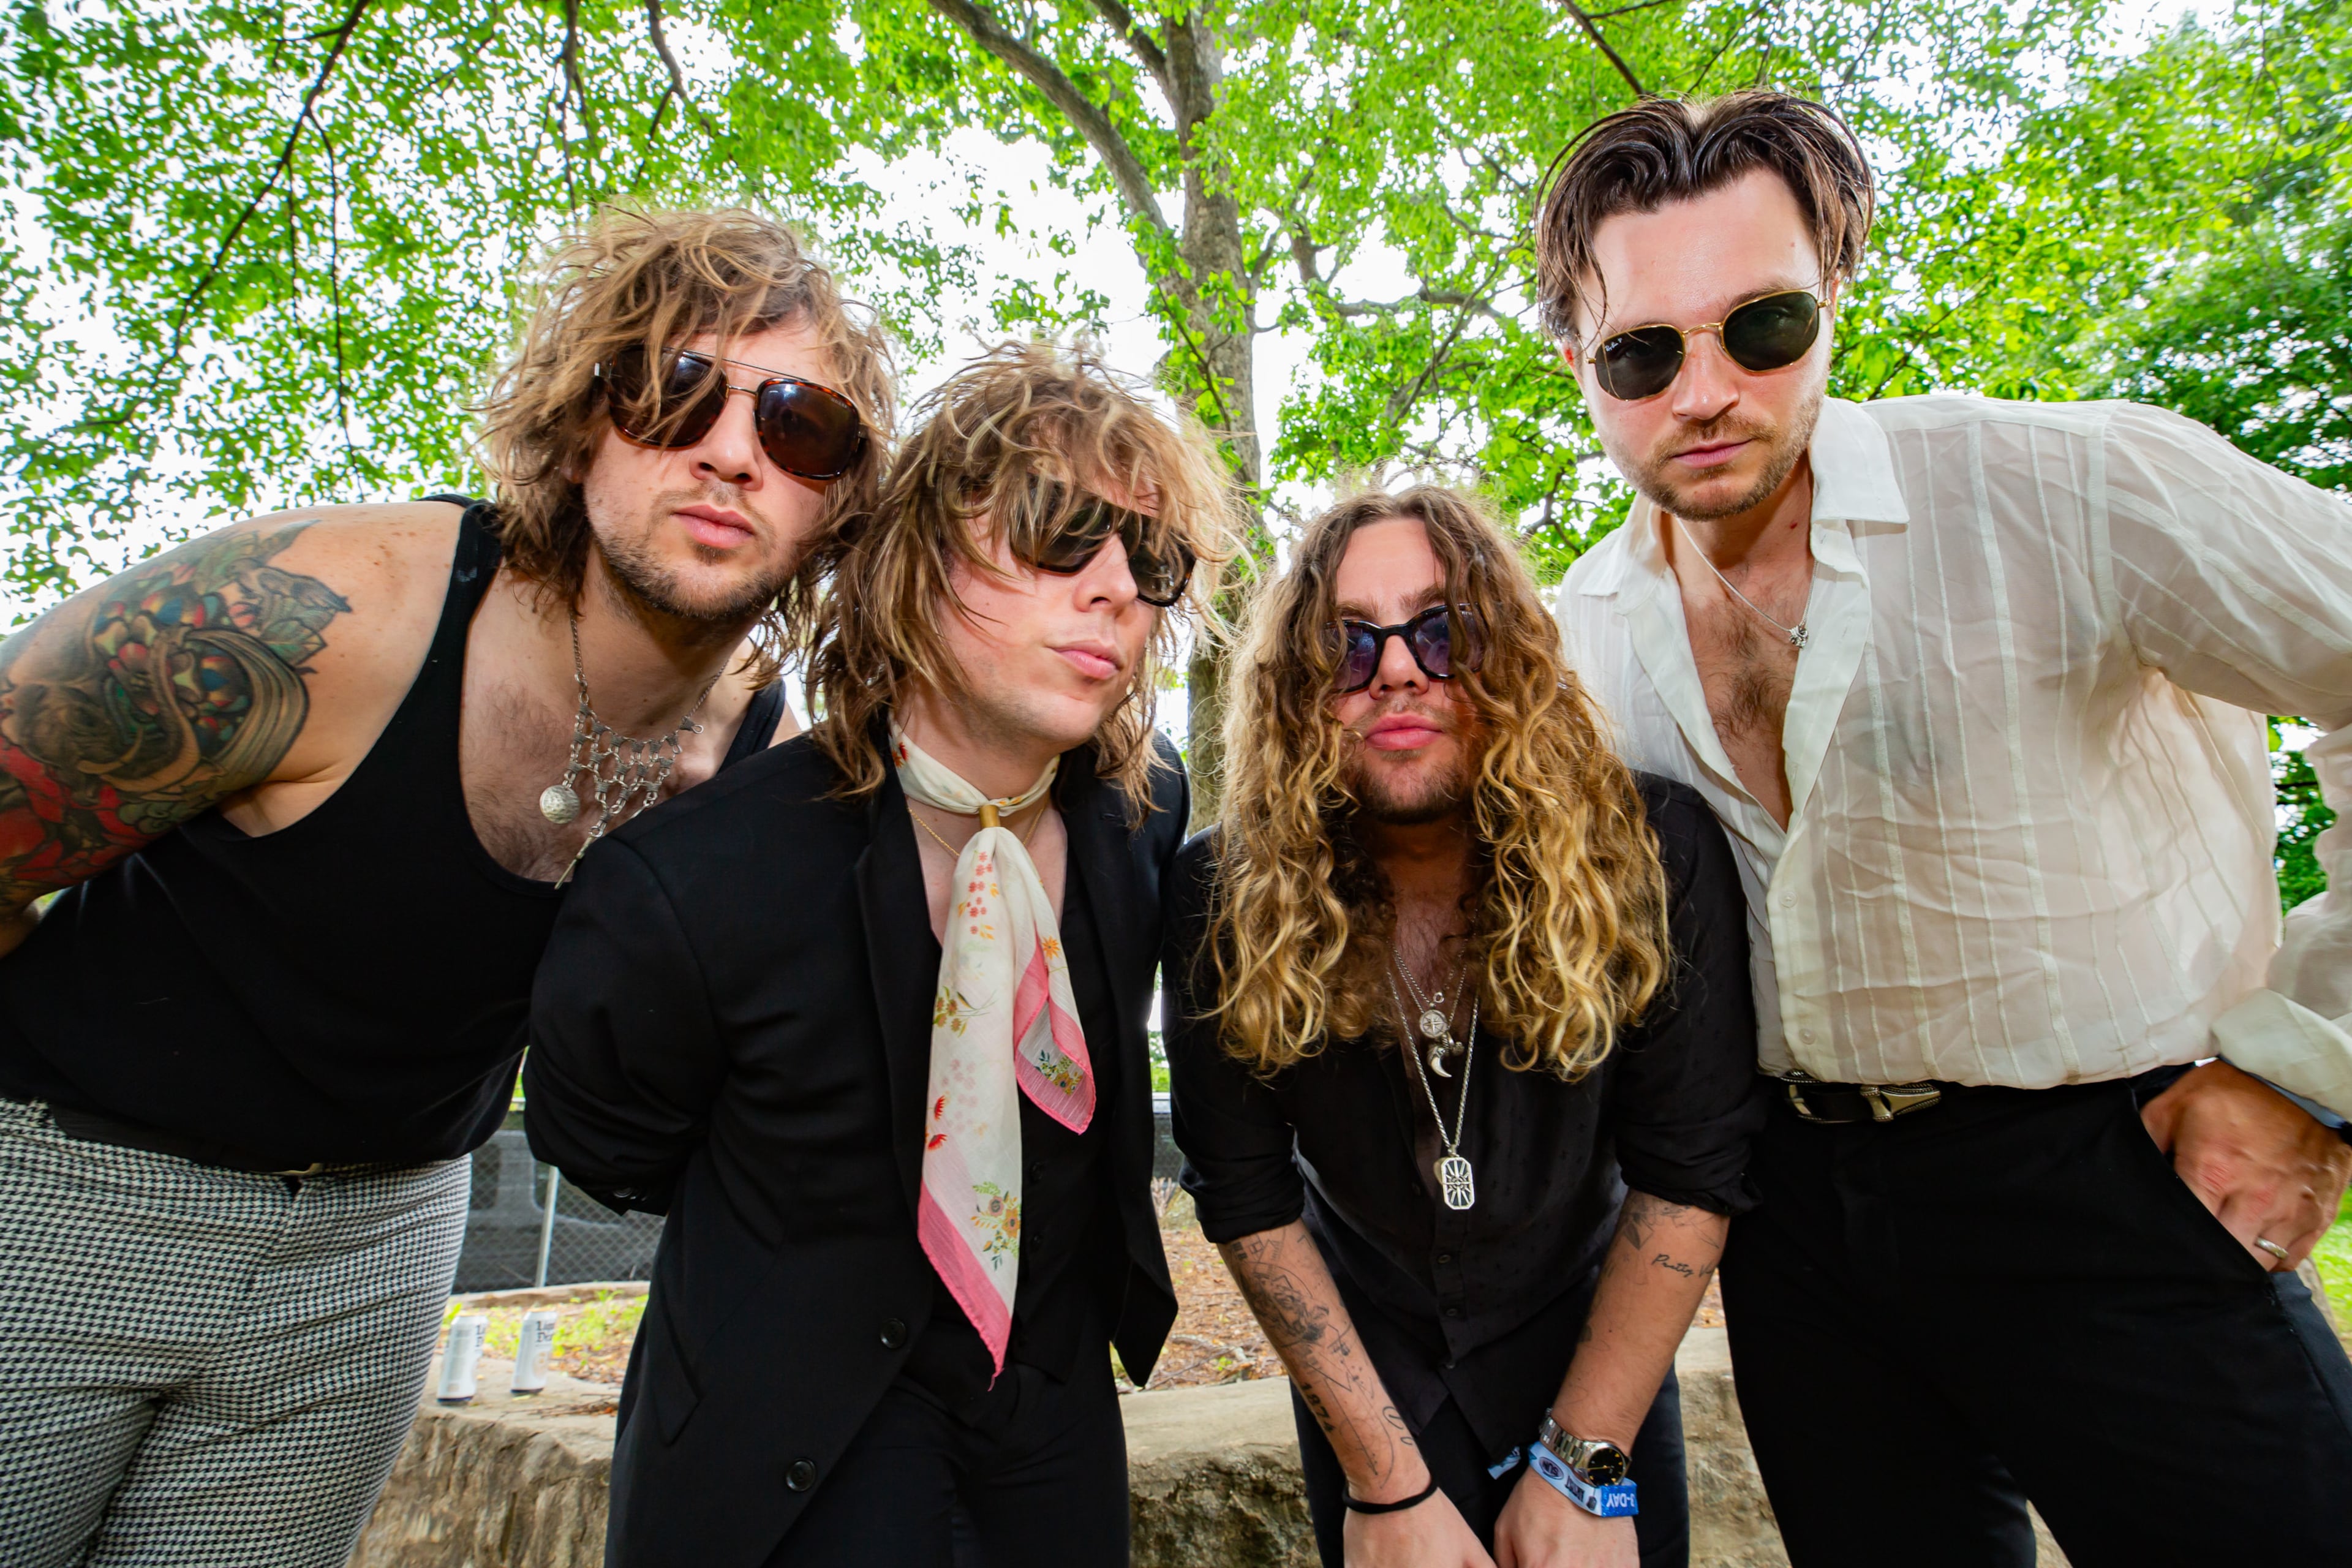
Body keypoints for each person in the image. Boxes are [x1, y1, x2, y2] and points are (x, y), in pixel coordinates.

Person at [0, 206, 893, 1568]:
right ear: (585, 415)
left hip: (379, 1254)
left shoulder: (770, 759)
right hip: (68, 1189)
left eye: (802, 425)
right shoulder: (318, 616)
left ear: (840, 498)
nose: (731, 450)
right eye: (674, 388)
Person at [1539, 89, 2352, 1566]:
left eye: (1763, 326)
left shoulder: (2076, 485)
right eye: (1643, 352)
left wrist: (2312, 1062)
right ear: (1580, 366)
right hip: (1795, 1228)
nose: (1704, 388)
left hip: (2109, 1179)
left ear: (1835, 297)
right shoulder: (1574, 635)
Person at [522, 340, 1240, 1568]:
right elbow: (608, 1142)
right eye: (1062, 528)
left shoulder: (1145, 815)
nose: (1120, 584)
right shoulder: (691, 880)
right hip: (781, 1459)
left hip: (1054, 1441)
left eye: (1152, 555)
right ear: (916, 559)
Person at [1166, 484, 1762, 1568]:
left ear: (1511, 653)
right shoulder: (1221, 889)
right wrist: (1387, 1485)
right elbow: (1244, 1193)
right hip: (1366, 1373)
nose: (1398, 669)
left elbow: (1692, 1172)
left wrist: (1584, 1463)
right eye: (1347, 646)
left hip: (1596, 1359)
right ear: (1300, 691)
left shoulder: (1653, 850)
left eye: (1444, 633)